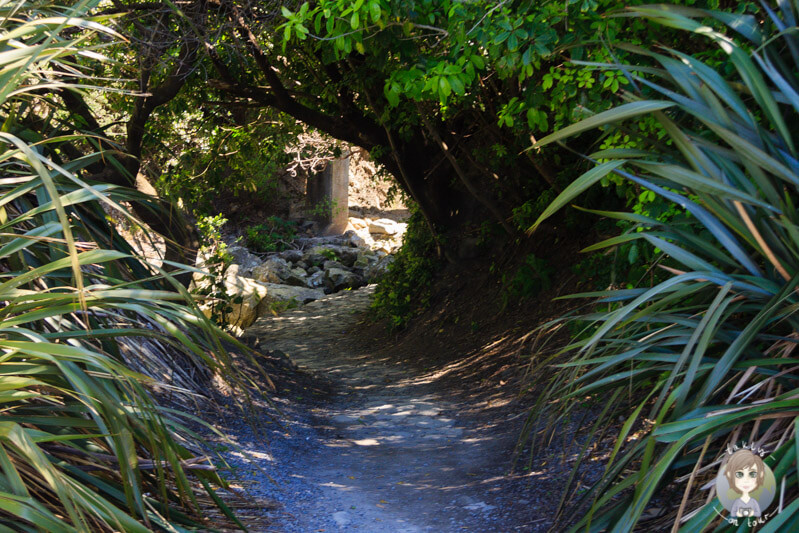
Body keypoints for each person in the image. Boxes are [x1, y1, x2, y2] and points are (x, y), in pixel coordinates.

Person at [724, 449, 765, 518]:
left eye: (752, 474)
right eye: (739, 474)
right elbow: (733, 514)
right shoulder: (736, 501)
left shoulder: (754, 501)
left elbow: (758, 513)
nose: (746, 480)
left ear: (760, 475)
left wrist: (752, 513)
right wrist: (738, 513)